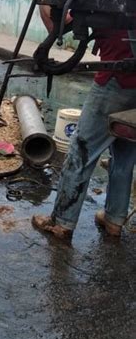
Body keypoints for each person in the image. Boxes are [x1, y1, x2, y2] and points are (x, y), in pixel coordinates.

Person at [32, 27, 136, 240]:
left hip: (114, 79)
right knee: (124, 156)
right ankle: (114, 219)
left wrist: (47, 4)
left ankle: (61, 222)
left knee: (81, 151)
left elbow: (60, 25)